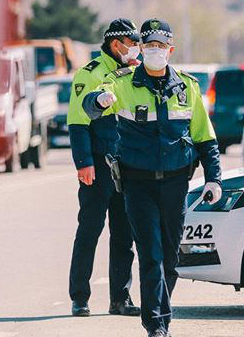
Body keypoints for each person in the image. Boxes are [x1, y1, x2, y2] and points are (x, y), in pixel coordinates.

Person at [83, 18, 222, 337]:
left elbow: (205, 138)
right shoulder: (122, 82)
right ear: (141, 50)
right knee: (151, 254)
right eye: (149, 46)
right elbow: (94, 103)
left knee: (170, 258)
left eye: (161, 46)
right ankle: (157, 324)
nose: (155, 51)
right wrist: (99, 101)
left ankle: (159, 312)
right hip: (137, 184)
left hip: (176, 183)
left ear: (170, 50)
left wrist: (214, 177)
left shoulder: (188, 87)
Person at [67, 18, 142, 318]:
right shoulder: (91, 74)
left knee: (125, 236)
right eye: (132, 42)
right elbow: (77, 122)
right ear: (116, 44)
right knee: (89, 232)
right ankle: (79, 297)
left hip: (127, 167)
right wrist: (84, 163)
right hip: (98, 166)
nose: (135, 48)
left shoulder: (135, 73)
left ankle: (120, 299)